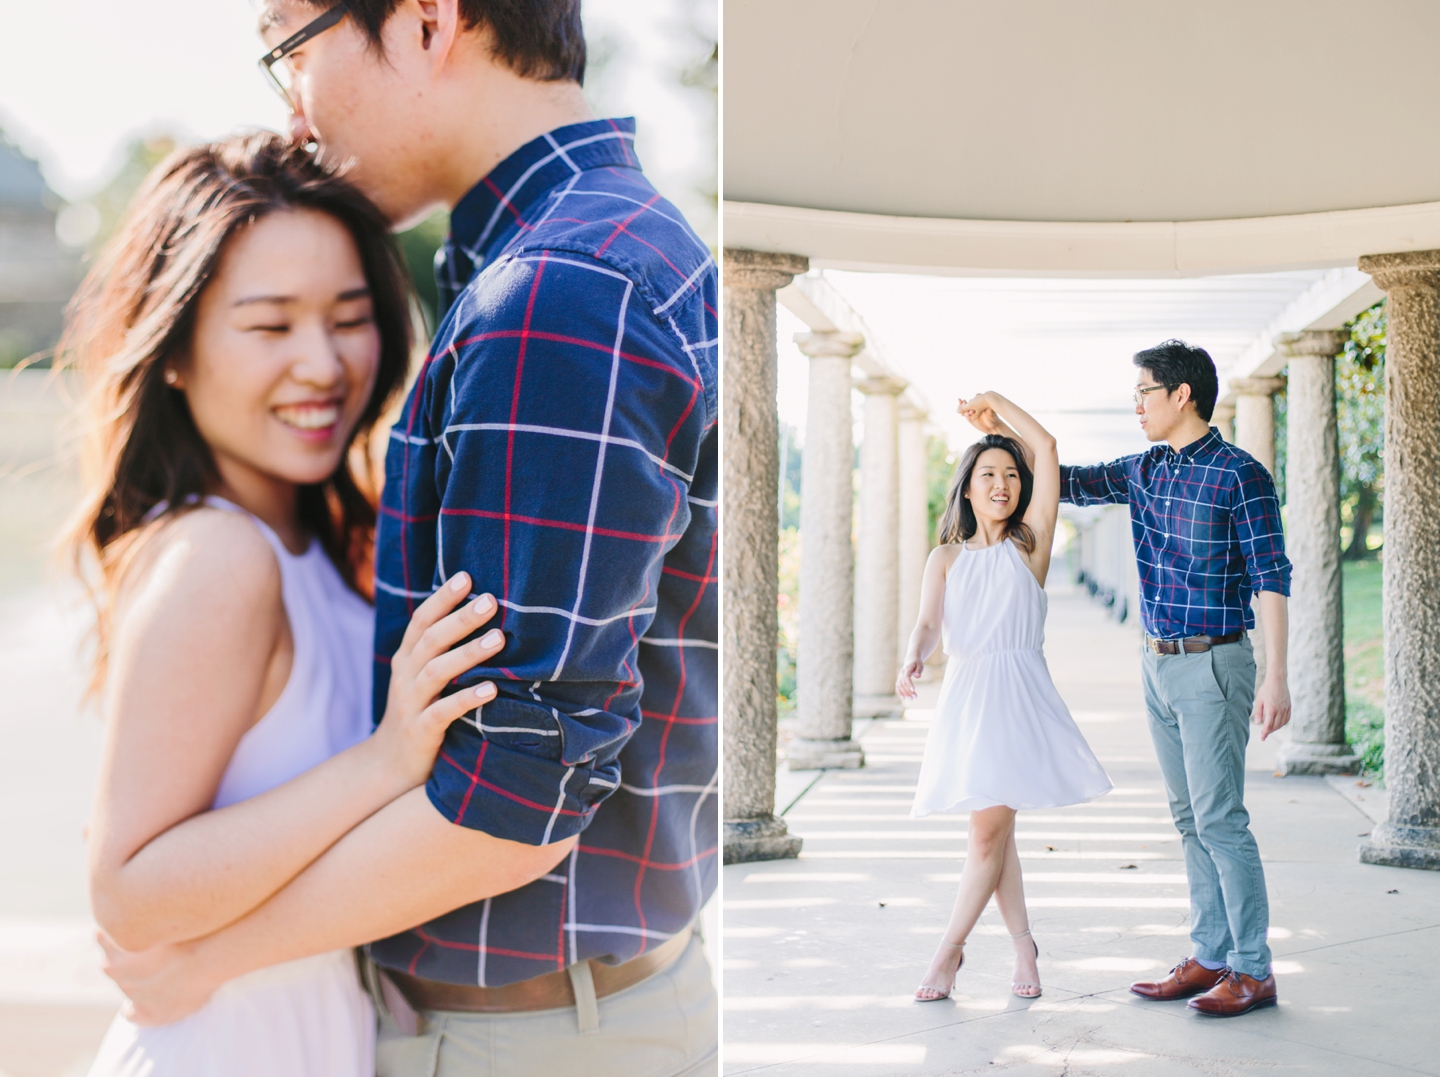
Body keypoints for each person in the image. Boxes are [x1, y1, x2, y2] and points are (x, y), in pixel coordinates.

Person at [101, 2, 719, 1072]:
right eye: (268, 320)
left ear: (428, 21)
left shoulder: (556, 293)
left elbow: (518, 800)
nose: (291, 103)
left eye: (290, 47)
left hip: (519, 1036)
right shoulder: (589, 255)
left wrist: (216, 956)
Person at [67, 133, 518, 1075]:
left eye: (349, 317)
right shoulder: (220, 555)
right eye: (270, 326)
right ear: (177, 348)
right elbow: (129, 893)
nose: (321, 364)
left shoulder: (318, 542)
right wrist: (388, 757)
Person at [1056, 339, 1292, 1017]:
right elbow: (1066, 480)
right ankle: (1211, 953)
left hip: (1216, 660)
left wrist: (1276, 675)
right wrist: (1003, 431)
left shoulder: (1240, 475)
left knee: (1221, 817)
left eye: (1143, 392)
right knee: (1190, 818)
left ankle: (1253, 968)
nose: (1136, 405)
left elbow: (1272, 577)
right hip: (1156, 661)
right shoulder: (1143, 470)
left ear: (1180, 394)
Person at [899, 392, 1111, 1003]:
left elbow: (1045, 448)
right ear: (967, 488)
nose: (1002, 484)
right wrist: (914, 653)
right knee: (997, 837)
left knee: (987, 836)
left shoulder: (1031, 545)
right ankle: (1024, 947)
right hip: (968, 701)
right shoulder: (945, 557)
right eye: (989, 474)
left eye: (1011, 476)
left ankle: (948, 953)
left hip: (1018, 699)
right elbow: (928, 625)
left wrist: (997, 413)